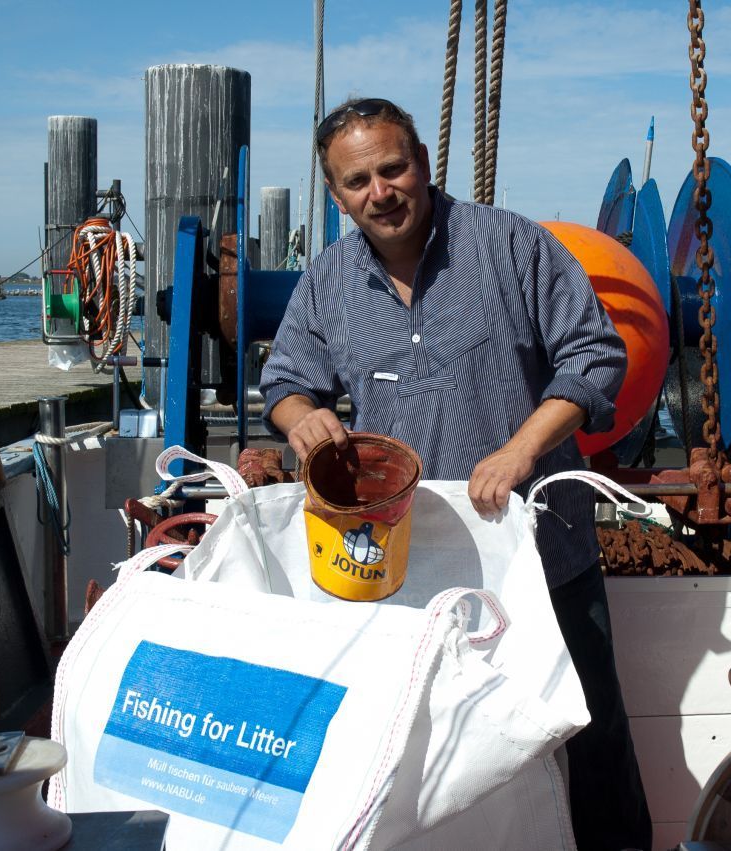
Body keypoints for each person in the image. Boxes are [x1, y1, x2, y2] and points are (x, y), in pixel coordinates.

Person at [260, 97, 652, 850]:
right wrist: (299, 417)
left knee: (593, 738)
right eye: (356, 181)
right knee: (428, 754)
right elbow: (286, 380)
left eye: (393, 167)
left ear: (424, 164)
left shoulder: (511, 246)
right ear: (336, 194)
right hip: (406, 574)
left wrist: (522, 447)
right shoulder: (329, 281)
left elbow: (596, 353)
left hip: (544, 556)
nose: (380, 191)